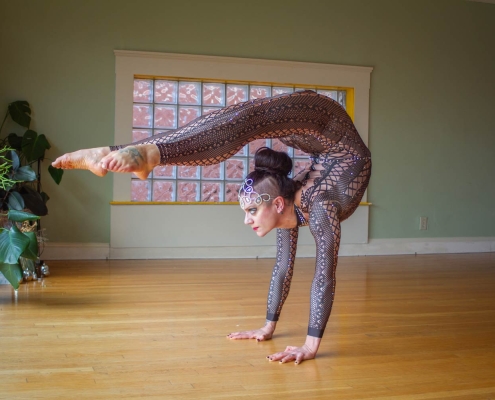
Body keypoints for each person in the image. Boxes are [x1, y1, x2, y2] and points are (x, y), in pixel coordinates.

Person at [52, 90, 371, 364]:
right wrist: (267, 327)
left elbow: (324, 276)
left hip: (331, 129)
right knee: (248, 118)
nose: (247, 220)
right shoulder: (289, 203)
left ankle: (128, 153)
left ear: (276, 205)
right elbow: (283, 268)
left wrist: (310, 346)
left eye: (252, 210)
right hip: (319, 138)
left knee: (251, 118)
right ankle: (126, 153)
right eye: (246, 211)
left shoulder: (319, 207)